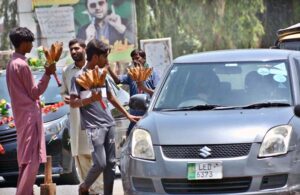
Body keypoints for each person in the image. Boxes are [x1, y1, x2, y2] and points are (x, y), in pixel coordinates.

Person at [70, 39, 139, 195]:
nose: (107, 61)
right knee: (100, 163)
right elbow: (73, 103)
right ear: (95, 57)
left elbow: (111, 97)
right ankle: (84, 187)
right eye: (105, 57)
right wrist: (89, 100)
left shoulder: (102, 75)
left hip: (109, 124)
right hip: (94, 127)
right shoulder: (79, 77)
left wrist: (127, 114)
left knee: (111, 163)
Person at [6, 27, 56, 195]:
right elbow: (35, 92)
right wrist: (47, 74)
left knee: (26, 158)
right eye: (30, 42)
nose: (32, 46)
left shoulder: (12, 63)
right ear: (23, 43)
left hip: (21, 117)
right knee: (32, 159)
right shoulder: (22, 65)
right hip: (29, 117)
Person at [60, 38, 103, 195]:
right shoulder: (67, 71)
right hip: (77, 119)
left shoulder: (94, 68)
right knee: (82, 156)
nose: (74, 52)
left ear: (85, 49)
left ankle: (99, 189)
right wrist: (66, 97)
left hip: (94, 118)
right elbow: (64, 92)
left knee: (97, 157)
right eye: (71, 49)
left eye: (77, 48)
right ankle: (92, 189)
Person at [107, 49, 160, 135]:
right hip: (134, 113)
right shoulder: (131, 74)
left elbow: (158, 93)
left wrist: (144, 88)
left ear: (144, 58)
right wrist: (108, 68)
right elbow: (117, 81)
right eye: (133, 59)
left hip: (148, 112)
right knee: (131, 135)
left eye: (137, 58)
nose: (135, 61)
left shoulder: (152, 73)